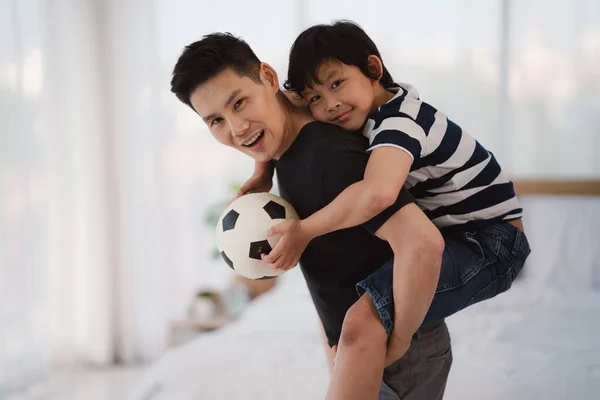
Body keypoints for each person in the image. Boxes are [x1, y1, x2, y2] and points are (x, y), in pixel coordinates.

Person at [238, 21, 531, 400]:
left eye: (336, 84)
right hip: (462, 234)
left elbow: (377, 194)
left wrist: (306, 230)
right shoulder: (367, 113)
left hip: (492, 242)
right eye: (315, 98)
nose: (329, 104)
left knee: (366, 315)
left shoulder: (400, 122)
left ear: (373, 69)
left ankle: (398, 344)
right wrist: (264, 167)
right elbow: (283, 104)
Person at [171, 32, 452, 399]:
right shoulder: (284, 148)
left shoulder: (329, 159)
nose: (236, 128)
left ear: (269, 79)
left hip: (397, 349)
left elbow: (421, 242)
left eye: (239, 103)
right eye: (215, 121)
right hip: (356, 347)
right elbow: (331, 267)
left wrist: (397, 342)